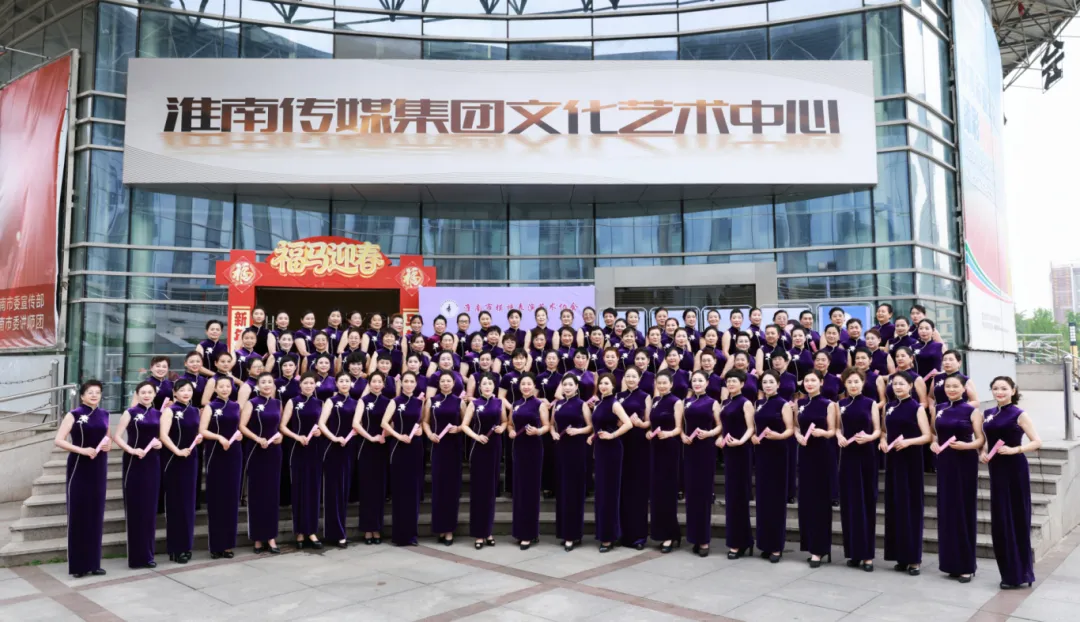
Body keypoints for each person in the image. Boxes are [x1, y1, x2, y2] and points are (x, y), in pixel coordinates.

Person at [982, 376, 1041, 589]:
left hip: (1015, 468)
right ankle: (1008, 572)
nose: (999, 392)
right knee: (1001, 519)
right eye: (995, 388)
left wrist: (1016, 449)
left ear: (1013, 390)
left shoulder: (1019, 414)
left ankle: (1021, 573)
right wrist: (983, 452)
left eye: (1004, 388)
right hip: (996, 468)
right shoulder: (988, 414)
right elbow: (986, 441)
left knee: (1016, 516)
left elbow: (1037, 441)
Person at [56, 380, 111, 577]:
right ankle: (79, 565)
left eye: (97, 392)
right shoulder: (74, 414)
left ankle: (94, 563)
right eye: (90, 392)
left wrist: (108, 446)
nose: (94, 395)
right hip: (79, 466)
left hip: (99, 466)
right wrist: (81, 450)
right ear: (82, 396)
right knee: (79, 514)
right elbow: (59, 440)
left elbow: (107, 438)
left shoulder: (105, 414)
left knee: (96, 513)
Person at [932, 375, 984, 583]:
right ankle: (950, 563)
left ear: (964, 389)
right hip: (944, 462)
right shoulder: (939, 408)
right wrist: (933, 444)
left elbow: (981, 440)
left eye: (955, 386)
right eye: (948, 386)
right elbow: (935, 435)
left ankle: (966, 566)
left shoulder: (972, 410)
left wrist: (967, 446)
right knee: (947, 511)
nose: (951, 389)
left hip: (965, 462)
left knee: (963, 510)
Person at [881, 372, 931, 575]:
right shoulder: (889, 406)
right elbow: (884, 431)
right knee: (895, 506)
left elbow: (927, 436)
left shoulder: (916, 407)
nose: (898, 387)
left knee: (910, 506)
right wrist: (883, 441)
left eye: (902, 384)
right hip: (893, 460)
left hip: (910, 460)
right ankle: (900, 556)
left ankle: (913, 559)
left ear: (910, 386)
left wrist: (908, 442)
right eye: (895, 384)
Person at [837, 368, 880, 571]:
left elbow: (878, 430)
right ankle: (853, 553)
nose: (853, 385)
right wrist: (839, 436)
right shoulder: (840, 404)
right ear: (845, 384)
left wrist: (870, 437)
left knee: (866, 502)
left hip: (866, 455)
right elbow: (837, 428)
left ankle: (867, 555)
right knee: (849, 503)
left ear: (863, 383)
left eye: (856, 381)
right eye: (849, 382)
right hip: (847, 455)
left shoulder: (871, 403)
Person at [794, 371, 838, 567]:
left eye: (813, 380)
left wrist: (823, 433)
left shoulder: (829, 404)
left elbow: (833, 430)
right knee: (806, 500)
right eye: (806, 380)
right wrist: (797, 436)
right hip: (805, 453)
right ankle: (810, 544)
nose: (809, 383)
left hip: (822, 453)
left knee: (820, 500)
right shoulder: (800, 403)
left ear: (821, 382)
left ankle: (820, 549)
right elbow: (796, 426)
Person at [115, 382, 161, 569]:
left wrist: (160, 444)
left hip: (153, 462)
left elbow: (162, 436)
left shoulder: (158, 414)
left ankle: (148, 555)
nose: (147, 395)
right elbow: (117, 437)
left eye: (150, 392)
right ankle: (135, 558)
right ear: (137, 394)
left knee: (150, 509)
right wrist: (131, 450)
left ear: (155, 394)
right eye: (143, 392)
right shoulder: (130, 412)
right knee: (136, 508)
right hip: (134, 461)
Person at [752, 370, 794, 562]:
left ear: (778, 384)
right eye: (765, 382)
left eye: (771, 382)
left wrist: (779, 436)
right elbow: (754, 427)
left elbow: (790, 429)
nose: (768, 385)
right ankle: (764, 543)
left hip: (778, 452)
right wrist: (754, 436)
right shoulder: (758, 403)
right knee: (763, 499)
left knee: (776, 499)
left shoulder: (783, 403)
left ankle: (776, 546)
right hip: (762, 452)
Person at [279, 372, 324, 550]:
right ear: (300, 385)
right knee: (299, 490)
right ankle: (299, 531)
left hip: (315, 449)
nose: (308, 386)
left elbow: (322, 425)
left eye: (311, 383)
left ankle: (311, 531)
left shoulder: (319, 403)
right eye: (305, 383)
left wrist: (320, 431)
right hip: (297, 448)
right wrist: (297, 437)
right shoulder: (293, 401)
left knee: (313, 490)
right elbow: (282, 426)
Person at [199, 377, 243, 559]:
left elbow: (240, 427)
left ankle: (228, 545)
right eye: (221, 386)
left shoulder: (236, 406)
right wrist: (219, 437)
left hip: (234, 453)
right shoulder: (211, 407)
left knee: (231, 498)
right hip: (216, 453)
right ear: (215, 389)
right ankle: (216, 545)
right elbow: (202, 430)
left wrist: (239, 435)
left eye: (228, 386)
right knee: (217, 498)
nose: (225, 389)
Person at [462, 373, 506, 549]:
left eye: (490, 384)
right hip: (479, 447)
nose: (487, 386)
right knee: (479, 492)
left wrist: (502, 428)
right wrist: (476, 436)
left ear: (494, 386)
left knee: (490, 491)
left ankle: (488, 531)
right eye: (484, 384)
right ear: (479, 387)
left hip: (494, 447)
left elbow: (505, 422)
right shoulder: (474, 403)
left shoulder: (499, 403)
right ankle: (478, 534)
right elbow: (464, 425)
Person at [591, 374, 634, 552]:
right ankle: (603, 532)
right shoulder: (598, 403)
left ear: (613, 386)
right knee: (601, 492)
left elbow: (628, 424)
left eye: (607, 383)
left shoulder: (615, 403)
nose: (603, 386)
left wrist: (612, 435)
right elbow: (598, 426)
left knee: (609, 492)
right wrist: (593, 437)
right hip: (600, 449)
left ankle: (609, 537)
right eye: (601, 383)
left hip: (612, 450)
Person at [160, 379, 201, 564]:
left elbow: (196, 432)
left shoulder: (194, 411)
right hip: (174, 459)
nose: (186, 393)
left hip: (191, 458)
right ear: (174, 393)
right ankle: (175, 548)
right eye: (182, 390)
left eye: (189, 390)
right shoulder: (170, 410)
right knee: (176, 504)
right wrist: (177, 451)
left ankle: (186, 545)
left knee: (188, 504)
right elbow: (163, 435)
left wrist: (198, 438)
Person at [241, 373, 283, 554]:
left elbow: (279, 427)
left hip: (274, 451)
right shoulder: (252, 403)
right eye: (263, 382)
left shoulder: (278, 403)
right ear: (257, 386)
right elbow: (242, 426)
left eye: (270, 382)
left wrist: (280, 437)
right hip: (256, 450)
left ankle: (271, 537)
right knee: (257, 494)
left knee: (272, 494)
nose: (267, 385)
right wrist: (257, 438)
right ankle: (257, 538)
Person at [683, 370, 722, 557]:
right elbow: (680, 425)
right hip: (689, 449)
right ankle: (694, 537)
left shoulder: (713, 402)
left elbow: (721, 425)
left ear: (707, 383)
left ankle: (704, 540)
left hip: (706, 449)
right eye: (694, 380)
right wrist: (682, 435)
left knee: (704, 493)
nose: (697, 383)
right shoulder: (686, 402)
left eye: (700, 380)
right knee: (691, 494)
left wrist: (709, 433)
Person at [383, 372, 425, 546]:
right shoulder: (395, 401)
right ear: (402, 384)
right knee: (400, 491)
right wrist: (398, 436)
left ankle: (412, 535)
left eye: (411, 381)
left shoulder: (420, 402)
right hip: (399, 447)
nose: (408, 384)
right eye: (405, 381)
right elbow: (384, 423)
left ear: (415, 384)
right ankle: (399, 535)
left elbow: (422, 422)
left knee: (413, 491)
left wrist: (421, 430)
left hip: (415, 447)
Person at [508, 373, 549, 550]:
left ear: (534, 386)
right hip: (518, 448)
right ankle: (519, 531)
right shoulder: (515, 404)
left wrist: (538, 431)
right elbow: (509, 424)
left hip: (533, 448)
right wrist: (510, 431)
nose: (526, 386)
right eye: (523, 384)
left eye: (529, 384)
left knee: (531, 490)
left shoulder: (540, 404)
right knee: (519, 489)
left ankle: (530, 533)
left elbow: (547, 425)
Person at [551, 374, 591, 551]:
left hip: (577, 449)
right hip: (561, 448)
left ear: (576, 387)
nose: (567, 387)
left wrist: (578, 431)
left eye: (570, 384)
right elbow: (551, 424)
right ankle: (563, 531)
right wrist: (553, 432)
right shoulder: (558, 404)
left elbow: (590, 426)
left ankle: (573, 534)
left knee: (574, 490)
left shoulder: (582, 404)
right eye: (565, 384)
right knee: (562, 489)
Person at [318, 372, 358, 549]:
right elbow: (321, 423)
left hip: (349, 448)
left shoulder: (356, 402)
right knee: (333, 490)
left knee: (344, 490)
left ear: (351, 383)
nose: (344, 383)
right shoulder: (331, 401)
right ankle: (335, 532)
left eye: (347, 381)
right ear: (336, 383)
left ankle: (340, 531)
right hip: (332, 447)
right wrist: (334, 438)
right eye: (341, 381)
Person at [717, 371, 754, 559]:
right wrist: (719, 437)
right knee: (731, 496)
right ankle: (738, 540)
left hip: (741, 451)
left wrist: (740, 441)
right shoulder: (725, 402)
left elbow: (751, 428)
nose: (731, 383)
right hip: (728, 451)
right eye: (729, 381)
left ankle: (740, 542)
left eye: (734, 381)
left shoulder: (745, 402)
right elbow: (723, 425)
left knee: (739, 496)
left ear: (742, 383)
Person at [427, 373, 464, 545]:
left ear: (454, 383)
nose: (446, 383)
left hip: (454, 447)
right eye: (443, 381)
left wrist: (458, 428)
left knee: (451, 489)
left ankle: (449, 530)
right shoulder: (432, 400)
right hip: (438, 446)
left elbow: (466, 423)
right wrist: (430, 434)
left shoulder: (459, 401)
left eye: (449, 381)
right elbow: (425, 422)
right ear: (438, 383)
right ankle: (440, 528)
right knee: (439, 488)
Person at [355, 371, 391, 545]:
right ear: (369, 383)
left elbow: (391, 424)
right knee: (367, 489)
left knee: (379, 490)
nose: (376, 384)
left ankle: (377, 528)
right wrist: (371, 437)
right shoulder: (363, 400)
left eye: (379, 381)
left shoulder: (389, 402)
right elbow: (356, 423)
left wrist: (383, 436)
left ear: (384, 384)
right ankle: (367, 530)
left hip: (382, 447)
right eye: (373, 381)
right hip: (366, 446)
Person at [650, 372, 684, 553]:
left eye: (665, 383)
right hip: (655, 447)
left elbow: (679, 428)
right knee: (657, 493)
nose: (662, 386)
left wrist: (668, 434)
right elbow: (652, 424)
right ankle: (662, 532)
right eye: (659, 383)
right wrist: (649, 432)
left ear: (671, 384)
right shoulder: (656, 401)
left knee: (668, 492)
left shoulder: (676, 402)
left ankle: (670, 535)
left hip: (670, 447)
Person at [618, 367, 652, 550]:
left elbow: (649, 421)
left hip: (639, 443)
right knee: (622, 489)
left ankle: (638, 536)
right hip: (621, 442)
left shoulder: (645, 396)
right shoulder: (618, 396)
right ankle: (622, 533)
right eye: (628, 376)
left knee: (638, 489)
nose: (630, 379)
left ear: (639, 379)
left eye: (634, 376)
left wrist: (640, 423)